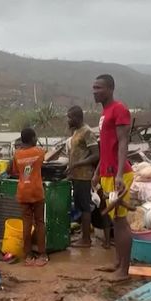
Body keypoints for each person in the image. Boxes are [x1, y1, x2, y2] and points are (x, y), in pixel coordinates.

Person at [91, 74, 134, 282]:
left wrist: (118, 175)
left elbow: (123, 142)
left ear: (110, 89)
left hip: (120, 173)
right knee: (114, 219)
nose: (94, 91)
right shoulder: (104, 113)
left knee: (120, 221)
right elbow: (106, 146)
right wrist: (97, 171)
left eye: (99, 87)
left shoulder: (119, 109)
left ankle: (124, 271)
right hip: (107, 172)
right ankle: (117, 263)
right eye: (93, 87)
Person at [65, 106, 99, 248]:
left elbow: (96, 154)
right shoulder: (76, 132)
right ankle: (83, 236)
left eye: (70, 117)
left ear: (78, 118)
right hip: (76, 175)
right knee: (79, 205)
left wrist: (78, 164)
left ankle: (86, 239)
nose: (68, 120)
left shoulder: (87, 132)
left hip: (84, 176)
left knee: (85, 207)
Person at [13, 127, 48, 266]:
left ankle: (28, 254)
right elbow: (44, 160)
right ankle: (42, 254)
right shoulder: (39, 152)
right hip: (37, 191)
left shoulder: (16, 154)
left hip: (23, 192)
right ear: (33, 138)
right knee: (39, 222)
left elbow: (15, 171)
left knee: (26, 223)